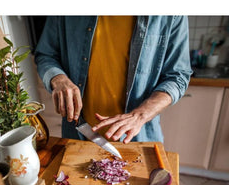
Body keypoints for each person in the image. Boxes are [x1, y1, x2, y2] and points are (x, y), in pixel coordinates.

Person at [34, 16, 192, 144]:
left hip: (138, 137)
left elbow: (178, 76)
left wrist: (140, 115)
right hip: (78, 133)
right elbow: (46, 54)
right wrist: (58, 79)